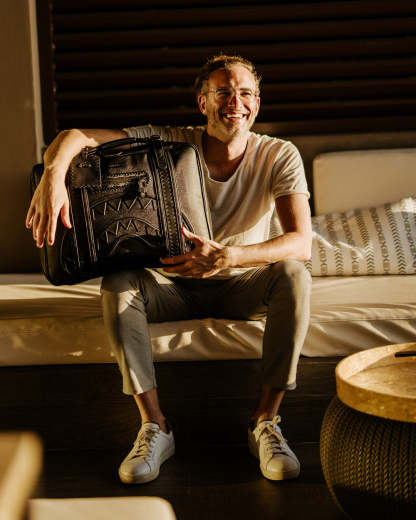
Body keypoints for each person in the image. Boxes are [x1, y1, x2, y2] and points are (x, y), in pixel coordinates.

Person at [26, 55, 312, 484]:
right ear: (203, 103)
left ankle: (266, 422)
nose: (235, 102)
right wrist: (53, 176)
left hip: (243, 285)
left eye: (245, 93)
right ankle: (155, 426)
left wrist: (227, 257)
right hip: (171, 287)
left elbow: (301, 243)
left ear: (257, 102)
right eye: (223, 92)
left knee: (294, 274)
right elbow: (76, 137)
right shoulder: (168, 142)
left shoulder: (279, 154)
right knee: (119, 282)